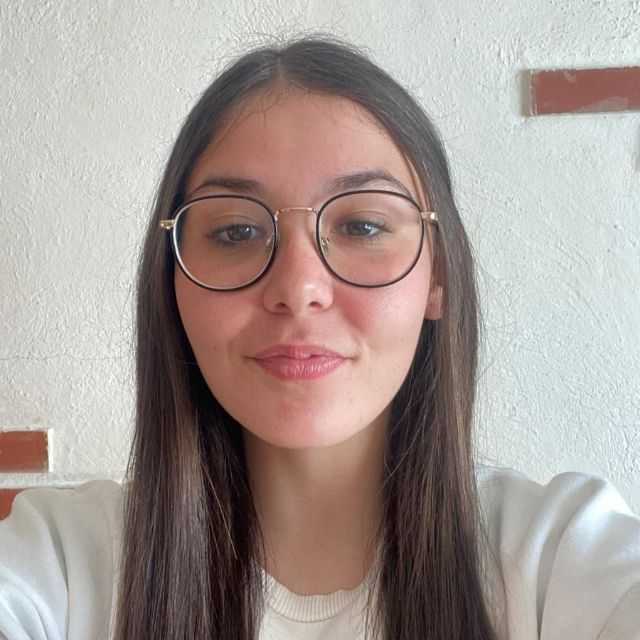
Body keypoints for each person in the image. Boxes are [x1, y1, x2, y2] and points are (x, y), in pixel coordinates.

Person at [0, 35, 638, 640]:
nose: (299, 286)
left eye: (362, 226)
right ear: (171, 279)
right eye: (236, 232)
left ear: (438, 275)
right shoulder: (60, 561)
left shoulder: (560, 558)